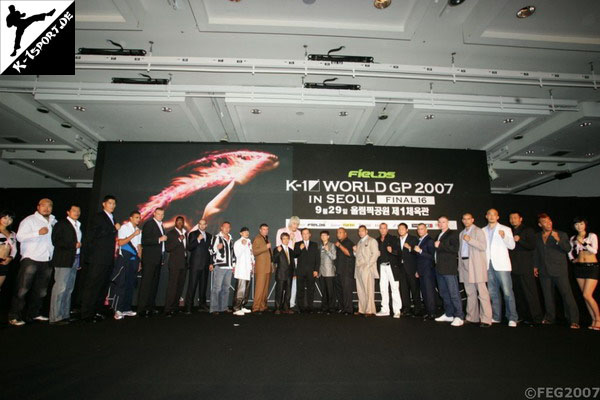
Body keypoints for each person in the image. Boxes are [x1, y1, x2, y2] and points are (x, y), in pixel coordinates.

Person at [9, 198, 56, 326]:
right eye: (44, 206)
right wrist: (37, 233)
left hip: (47, 259)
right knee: (22, 289)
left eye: (49, 206)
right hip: (31, 258)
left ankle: (34, 313)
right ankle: (14, 316)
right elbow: (19, 237)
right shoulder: (29, 220)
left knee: (41, 290)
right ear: (38, 207)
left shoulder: (53, 221)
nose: (47, 208)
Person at [534, 213, 580, 329]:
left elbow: (567, 248)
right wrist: (535, 266)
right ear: (540, 224)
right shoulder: (537, 236)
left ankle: (574, 320)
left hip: (559, 270)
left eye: (549, 221)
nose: (548, 223)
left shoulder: (561, 234)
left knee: (567, 295)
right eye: (545, 222)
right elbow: (536, 253)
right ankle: (550, 318)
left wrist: (558, 240)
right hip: (544, 270)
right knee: (547, 296)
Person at [81, 195, 119, 322]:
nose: (112, 205)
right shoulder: (99, 217)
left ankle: (96, 311)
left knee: (102, 286)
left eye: (114, 203)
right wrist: (113, 229)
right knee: (92, 285)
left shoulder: (112, 218)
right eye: (110, 203)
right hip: (98, 257)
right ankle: (86, 314)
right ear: (104, 204)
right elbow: (94, 234)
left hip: (108, 258)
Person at [483, 209, 518, 327]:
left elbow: (512, 246)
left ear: (497, 217)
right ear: (486, 216)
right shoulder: (482, 231)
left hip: (502, 265)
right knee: (492, 292)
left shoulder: (506, 229)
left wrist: (504, 237)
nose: (492, 217)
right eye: (490, 215)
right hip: (488, 265)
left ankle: (512, 317)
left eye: (494, 215)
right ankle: (496, 316)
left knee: (507, 292)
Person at [508, 211, 543, 325]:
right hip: (513, 267)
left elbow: (532, 246)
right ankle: (523, 316)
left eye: (515, 218)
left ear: (520, 219)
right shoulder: (509, 231)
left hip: (526, 266)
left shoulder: (528, 230)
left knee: (530, 293)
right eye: (511, 218)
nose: (513, 220)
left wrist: (520, 240)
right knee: (518, 293)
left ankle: (536, 318)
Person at [49, 205, 82, 325]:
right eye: (74, 211)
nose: (77, 213)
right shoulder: (62, 224)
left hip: (74, 259)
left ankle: (64, 314)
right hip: (63, 260)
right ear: (68, 212)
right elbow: (56, 240)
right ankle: (55, 317)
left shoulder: (78, 225)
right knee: (60, 288)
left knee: (68, 289)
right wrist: (73, 245)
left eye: (78, 211)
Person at [458, 213, 493, 327]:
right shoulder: (461, 233)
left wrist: (470, 240)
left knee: (482, 292)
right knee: (470, 292)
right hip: (464, 263)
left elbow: (483, 246)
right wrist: (460, 266)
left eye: (469, 219)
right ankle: (472, 317)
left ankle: (486, 319)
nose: (466, 221)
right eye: (464, 219)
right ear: (462, 221)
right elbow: (460, 251)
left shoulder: (478, 231)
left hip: (476, 264)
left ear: (472, 220)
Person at [569, 217, 599, 330]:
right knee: (584, 296)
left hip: (592, 267)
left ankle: (598, 319)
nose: (579, 226)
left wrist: (584, 243)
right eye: (576, 224)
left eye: (581, 224)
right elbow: (570, 252)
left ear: (585, 224)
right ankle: (593, 320)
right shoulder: (573, 238)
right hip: (579, 268)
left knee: (587, 294)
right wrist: (573, 259)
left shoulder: (592, 236)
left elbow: (595, 250)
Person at [111, 210, 142, 320]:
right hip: (124, 259)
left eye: (139, 217)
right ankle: (118, 310)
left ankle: (126, 308)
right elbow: (120, 243)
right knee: (122, 284)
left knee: (130, 284)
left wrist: (139, 261)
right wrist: (133, 234)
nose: (138, 219)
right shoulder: (124, 228)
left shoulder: (138, 230)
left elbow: (138, 246)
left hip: (134, 260)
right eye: (136, 217)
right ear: (131, 218)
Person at [433, 216, 464, 327]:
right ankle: (449, 314)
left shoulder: (453, 234)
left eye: (443, 222)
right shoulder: (438, 235)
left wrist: (440, 245)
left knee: (454, 293)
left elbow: (455, 249)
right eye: (439, 222)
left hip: (449, 268)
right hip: (439, 268)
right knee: (444, 293)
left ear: (448, 223)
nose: (441, 224)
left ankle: (459, 316)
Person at [137, 207, 167, 317]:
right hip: (150, 259)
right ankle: (141, 309)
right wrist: (159, 239)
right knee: (146, 284)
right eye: (159, 214)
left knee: (154, 284)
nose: (161, 216)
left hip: (158, 259)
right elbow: (145, 241)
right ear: (154, 214)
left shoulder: (161, 226)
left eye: (162, 214)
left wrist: (162, 257)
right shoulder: (149, 224)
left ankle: (150, 307)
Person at [185, 219, 212, 313]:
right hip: (195, 265)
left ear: (206, 225)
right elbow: (189, 247)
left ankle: (202, 305)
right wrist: (197, 239)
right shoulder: (193, 234)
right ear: (198, 225)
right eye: (200, 224)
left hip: (205, 265)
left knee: (203, 286)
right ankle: (188, 307)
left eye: (204, 224)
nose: (202, 226)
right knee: (192, 286)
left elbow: (210, 251)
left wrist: (211, 263)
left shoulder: (209, 235)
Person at [396, 223, 422, 317]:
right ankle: (406, 308)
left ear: (407, 230)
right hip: (401, 268)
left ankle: (417, 309)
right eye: (399, 229)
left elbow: (418, 252)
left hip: (412, 268)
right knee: (404, 290)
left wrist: (410, 248)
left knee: (414, 289)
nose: (400, 230)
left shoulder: (413, 239)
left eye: (402, 228)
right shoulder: (397, 240)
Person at [376, 223, 401, 318]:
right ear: (379, 229)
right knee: (383, 288)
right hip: (382, 267)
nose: (382, 230)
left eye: (384, 228)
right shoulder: (377, 240)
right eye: (381, 228)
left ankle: (397, 310)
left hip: (392, 267)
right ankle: (385, 309)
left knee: (394, 288)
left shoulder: (393, 239)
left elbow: (399, 252)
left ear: (387, 229)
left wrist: (392, 251)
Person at [209, 221, 235, 314]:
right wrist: (217, 248)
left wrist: (233, 265)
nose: (227, 229)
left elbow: (233, 254)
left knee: (226, 288)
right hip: (219, 266)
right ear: (221, 228)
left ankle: (223, 307)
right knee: (217, 288)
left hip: (228, 267)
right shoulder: (216, 237)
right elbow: (210, 250)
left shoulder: (231, 239)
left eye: (228, 227)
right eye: (225, 227)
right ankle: (214, 308)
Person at [164, 216, 188, 317]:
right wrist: (178, 239)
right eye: (178, 221)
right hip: (174, 264)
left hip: (184, 263)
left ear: (183, 223)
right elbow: (168, 248)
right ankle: (167, 309)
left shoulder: (186, 233)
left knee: (180, 286)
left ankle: (175, 307)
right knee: (172, 286)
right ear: (175, 222)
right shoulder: (171, 233)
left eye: (181, 221)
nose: (179, 223)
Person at [276, 216, 302, 309]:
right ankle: (279, 305)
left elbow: (298, 249)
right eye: (295, 224)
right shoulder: (281, 231)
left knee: (293, 283)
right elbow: (278, 247)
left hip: (295, 260)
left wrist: (294, 241)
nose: (296, 226)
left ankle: (290, 304)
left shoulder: (299, 233)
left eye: (297, 224)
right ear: (291, 223)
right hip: (284, 261)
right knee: (282, 284)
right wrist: (289, 240)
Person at [353, 225, 379, 317]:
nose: (360, 232)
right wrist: (355, 252)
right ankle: (362, 309)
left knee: (368, 290)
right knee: (360, 290)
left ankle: (370, 310)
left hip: (367, 268)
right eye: (359, 231)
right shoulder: (359, 242)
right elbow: (358, 256)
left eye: (362, 231)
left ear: (366, 231)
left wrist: (368, 265)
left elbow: (376, 254)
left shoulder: (372, 240)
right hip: (358, 268)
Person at [292, 228, 320, 313]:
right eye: (303, 233)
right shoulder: (297, 244)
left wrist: (316, 270)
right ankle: (300, 307)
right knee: (300, 289)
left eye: (307, 233)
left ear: (310, 234)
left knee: (311, 290)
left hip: (311, 271)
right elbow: (294, 255)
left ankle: (310, 307)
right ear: (301, 235)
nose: (305, 235)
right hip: (300, 271)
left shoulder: (314, 244)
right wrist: (300, 249)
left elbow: (317, 258)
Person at [413, 223, 436, 320]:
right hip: (421, 270)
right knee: (424, 292)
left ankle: (432, 313)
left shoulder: (429, 240)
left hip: (428, 270)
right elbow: (419, 259)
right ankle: (428, 311)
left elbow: (432, 257)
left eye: (422, 229)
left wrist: (420, 251)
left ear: (426, 230)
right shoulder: (420, 240)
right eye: (418, 229)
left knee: (429, 292)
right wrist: (417, 270)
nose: (419, 231)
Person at [233, 227, 254, 316]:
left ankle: (242, 306)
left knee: (247, 290)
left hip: (248, 269)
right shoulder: (238, 242)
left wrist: (253, 263)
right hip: (241, 270)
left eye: (247, 232)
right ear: (240, 233)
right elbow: (237, 254)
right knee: (240, 290)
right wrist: (243, 245)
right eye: (244, 232)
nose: (246, 233)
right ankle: (236, 308)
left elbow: (251, 254)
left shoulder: (249, 242)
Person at [334, 228, 355, 315]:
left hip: (347, 271)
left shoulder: (349, 243)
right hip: (339, 271)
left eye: (340, 232)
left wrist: (339, 246)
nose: (338, 234)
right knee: (340, 291)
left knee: (347, 291)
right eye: (337, 233)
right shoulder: (340, 243)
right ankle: (342, 308)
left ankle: (348, 309)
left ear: (345, 234)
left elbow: (349, 254)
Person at [252, 223, 272, 313]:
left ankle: (262, 306)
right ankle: (256, 307)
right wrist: (265, 247)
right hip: (261, 268)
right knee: (259, 289)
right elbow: (254, 252)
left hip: (267, 267)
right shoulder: (257, 238)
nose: (266, 231)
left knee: (265, 289)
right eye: (264, 229)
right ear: (260, 230)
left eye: (267, 229)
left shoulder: (266, 238)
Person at [273, 232, 294, 314]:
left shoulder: (291, 250)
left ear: (289, 240)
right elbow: (274, 260)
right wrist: (278, 252)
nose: (285, 240)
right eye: (284, 238)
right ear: (281, 239)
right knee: (279, 291)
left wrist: (294, 273)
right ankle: (277, 308)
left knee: (288, 292)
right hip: (281, 274)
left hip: (289, 274)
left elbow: (292, 263)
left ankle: (286, 308)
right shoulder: (277, 248)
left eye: (287, 238)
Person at [318, 231, 337, 314]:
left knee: (330, 291)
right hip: (321, 272)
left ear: (328, 236)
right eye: (322, 235)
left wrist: (328, 250)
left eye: (325, 235)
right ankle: (324, 308)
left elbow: (334, 257)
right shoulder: (319, 246)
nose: (323, 236)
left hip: (329, 272)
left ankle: (331, 308)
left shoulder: (331, 245)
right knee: (324, 291)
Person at [0, 210, 17, 293]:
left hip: (4, 262)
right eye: (5, 218)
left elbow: (14, 249)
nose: (7, 221)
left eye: (10, 219)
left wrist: (10, 257)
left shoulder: (12, 234)